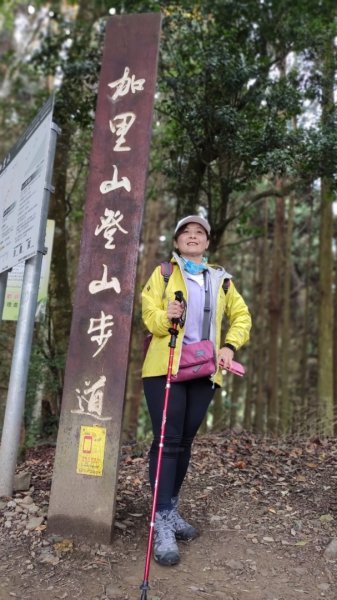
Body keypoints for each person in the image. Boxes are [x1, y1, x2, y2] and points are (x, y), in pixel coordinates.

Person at [141, 215, 251, 566]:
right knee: (167, 440)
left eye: (199, 233)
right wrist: (166, 316)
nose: (192, 237)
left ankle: (170, 509)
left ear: (207, 242)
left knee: (185, 441)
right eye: (186, 233)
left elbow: (242, 316)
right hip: (165, 368)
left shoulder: (221, 280)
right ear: (176, 242)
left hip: (205, 371)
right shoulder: (162, 274)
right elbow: (149, 314)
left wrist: (230, 346)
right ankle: (161, 522)